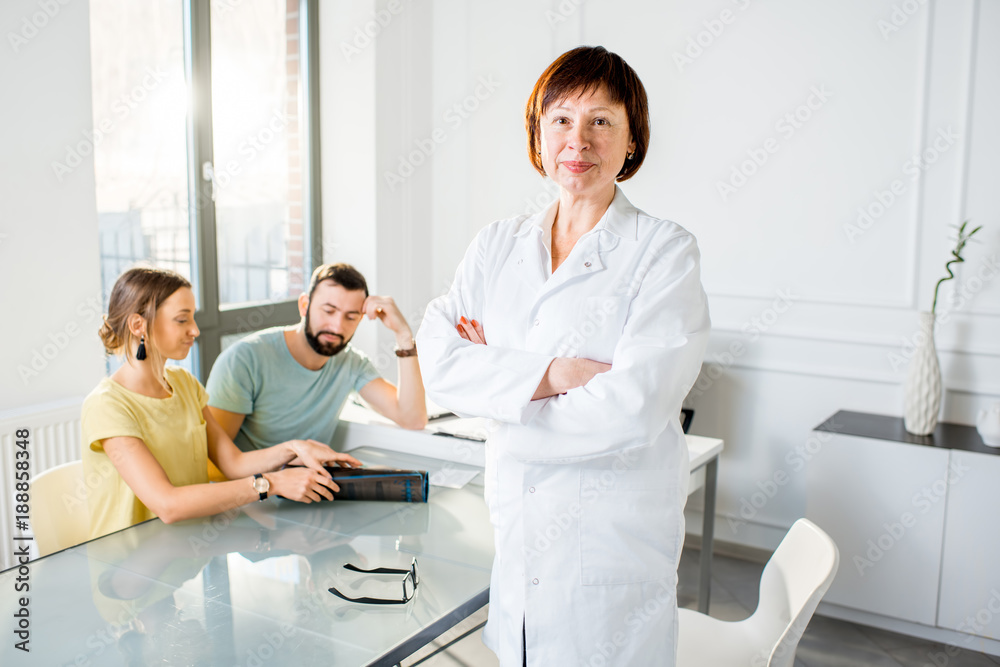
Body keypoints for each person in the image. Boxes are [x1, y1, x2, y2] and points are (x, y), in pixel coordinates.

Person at [416, 46, 710, 666]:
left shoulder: (663, 252)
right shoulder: (498, 244)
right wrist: (551, 376)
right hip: (519, 536)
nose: (578, 139)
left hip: (609, 546)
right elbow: (440, 362)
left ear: (632, 141)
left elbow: (631, 409)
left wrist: (500, 406)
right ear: (538, 133)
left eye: (601, 121)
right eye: (561, 119)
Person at [81, 267, 362, 541]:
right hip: (126, 570)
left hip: (186, 552)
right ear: (138, 325)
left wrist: (294, 448)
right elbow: (168, 505)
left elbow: (233, 463)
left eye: (193, 318)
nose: (195, 330)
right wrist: (272, 484)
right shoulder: (108, 405)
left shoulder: (184, 384)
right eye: (182, 320)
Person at [205, 263, 427, 459]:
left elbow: (412, 419)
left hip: (309, 491)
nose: (337, 327)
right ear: (304, 305)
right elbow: (214, 460)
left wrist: (404, 336)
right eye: (329, 311)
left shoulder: (351, 363)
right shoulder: (243, 360)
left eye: (351, 317)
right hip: (253, 495)